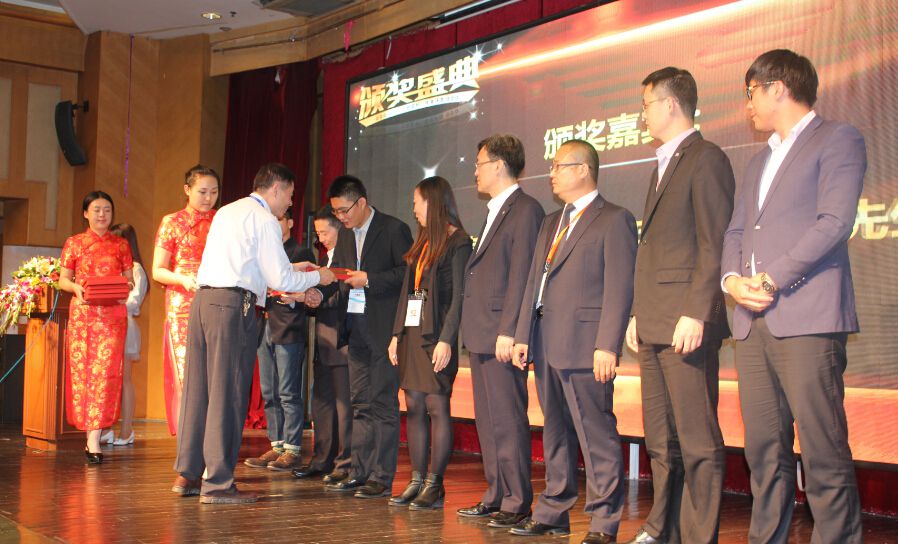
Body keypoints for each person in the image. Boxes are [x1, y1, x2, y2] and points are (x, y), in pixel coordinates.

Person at [721, 49, 865, 543]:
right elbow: (736, 231)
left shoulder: (838, 139)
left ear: (778, 88)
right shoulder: (759, 160)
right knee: (764, 452)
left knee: (823, 452)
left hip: (808, 318)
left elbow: (835, 222)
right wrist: (732, 281)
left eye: (751, 93)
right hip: (752, 323)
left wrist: (771, 279)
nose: (747, 106)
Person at [172, 163, 336, 504]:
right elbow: (280, 280)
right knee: (228, 393)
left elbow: (253, 265)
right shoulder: (264, 220)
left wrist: (296, 268)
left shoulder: (229, 211)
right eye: (290, 195)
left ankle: (188, 474)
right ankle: (218, 483)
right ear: (276, 189)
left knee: (199, 391)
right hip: (233, 307)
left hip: (204, 302)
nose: (290, 203)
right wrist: (319, 277)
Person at [622, 68, 735, 544]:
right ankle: (661, 527)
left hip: (685, 322)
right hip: (654, 320)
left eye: (646, 104)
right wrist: (636, 311)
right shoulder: (661, 166)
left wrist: (697, 311)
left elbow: (714, 243)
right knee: (660, 438)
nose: (642, 114)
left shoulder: (706, 159)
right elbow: (656, 249)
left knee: (697, 439)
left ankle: (697, 535)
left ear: (671, 104)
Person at [511, 140, 637, 544]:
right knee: (555, 432)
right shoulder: (552, 221)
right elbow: (534, 282)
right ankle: (553, 511)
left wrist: (608, 345)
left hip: (587, 347)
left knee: (596, 435)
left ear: (583, 169)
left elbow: (620, 288)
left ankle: (603, 523)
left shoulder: (614, 219)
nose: (551, 173)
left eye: (559, 166)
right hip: (547, 342)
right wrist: (522, 334)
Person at [457, 134, 544, 527]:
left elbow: (523, 276)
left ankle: (516, 500)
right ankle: (495, 493)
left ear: (498, 165)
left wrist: (511, 330)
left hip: (501, 335)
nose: (475, 171)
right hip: (482, 332)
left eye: (479, 164)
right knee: (488, 421)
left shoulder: (525, 210)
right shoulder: (496, 210)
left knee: (507, 420)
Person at [318, 175, 413, 499]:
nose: (340, 217)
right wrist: (315, 292)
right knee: (359, 402)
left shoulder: (393, 229)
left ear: (361, 202)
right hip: (355, 328)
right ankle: (358, 471)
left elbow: (407, 275)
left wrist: (369, 279)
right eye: (336, 212)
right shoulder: (345, 235)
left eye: (344, 210)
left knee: (383, 403)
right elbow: (338, 274)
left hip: (384, 330)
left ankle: (381, 477)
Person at [386, 176, 472, 509]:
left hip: (436, 338)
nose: (414, 209)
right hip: (412, 334)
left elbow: (459, 297)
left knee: (437, 407)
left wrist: (447, 340)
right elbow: (409, 293)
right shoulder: (423, 242)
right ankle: (417, 479)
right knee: (414, 407)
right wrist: (396, 335)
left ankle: (435, 484)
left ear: (433, 202)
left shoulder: (458, 241)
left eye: (417, 203)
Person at [58, 191, 134, 465]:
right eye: (97, 209)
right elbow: (63, 280)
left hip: (113, 317)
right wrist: (75, 288)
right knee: (85, 375)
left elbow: (130, 280)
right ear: (85, 213)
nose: (102, 215)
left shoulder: (121, 244)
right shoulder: (74, 243)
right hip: (84, 316)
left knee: (106, 375)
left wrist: (124, 288)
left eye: (107, 210)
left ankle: (95, 436)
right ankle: (92, 434)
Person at [244, 207, 317, 471]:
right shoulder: (265, 250)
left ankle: (293, 448)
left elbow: (309, 289)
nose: (274, 224)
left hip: (288, 326)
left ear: (290, 222)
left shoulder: (301, 253)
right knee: (269, 391)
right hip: (264, 324)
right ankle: (276, 444)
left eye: (279, 220)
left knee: (288, 391)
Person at [153, 165, 220, 436]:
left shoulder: (221, 221)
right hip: (182, 303)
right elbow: (158, 270)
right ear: (187, 190)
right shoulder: (172, 222)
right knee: (186, 372)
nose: (208, 198)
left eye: (214, 192)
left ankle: (209, 440)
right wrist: (182, 279)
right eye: (202, 192)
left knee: (212, 374)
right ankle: (187, 442)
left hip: (215, 299)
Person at [293, 205, 353, 482]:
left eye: (325, 232)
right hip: (324, 341)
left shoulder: (348, 257)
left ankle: (345, 463)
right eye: (317, 234)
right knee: (322, 403)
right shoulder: (324, 260)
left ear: (339, 227)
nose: (321, 238)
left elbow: (344, 295)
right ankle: (321, 460)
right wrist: (305, 296)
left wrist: (315, 297)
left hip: (343, 340)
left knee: (344, 406)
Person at [109, 223, 149, 447]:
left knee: (124, 379)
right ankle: (105, 428)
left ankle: (126, 431)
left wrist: (111, 302)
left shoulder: (135, 268)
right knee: (107, 380)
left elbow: (134, 300)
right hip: (106, 326)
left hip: (124, 325)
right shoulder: (110, 267)